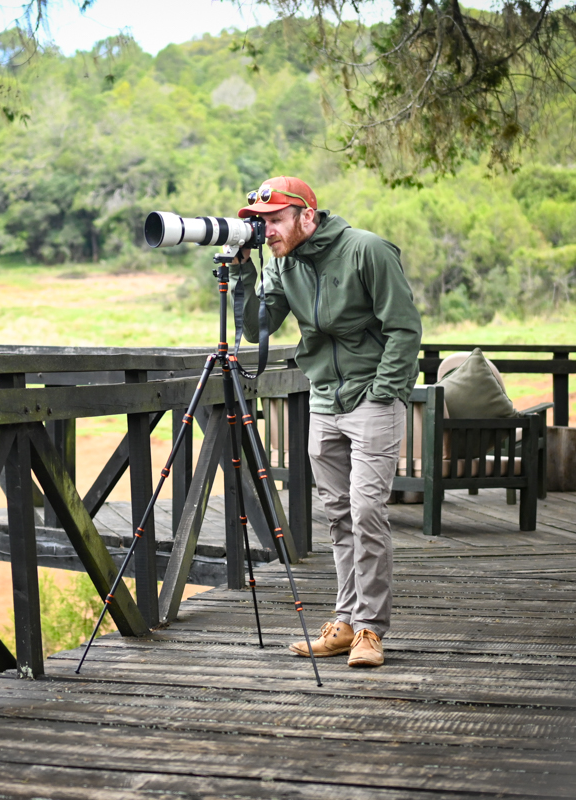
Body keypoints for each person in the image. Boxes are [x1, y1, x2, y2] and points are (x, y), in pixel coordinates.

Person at [231, 176, 422, 667]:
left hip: (372, 401)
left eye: (274, 220)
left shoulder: (367, 250)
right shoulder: (280, 265)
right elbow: (258, 327)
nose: (266, 231)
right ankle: (344, 620)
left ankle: (370, 631)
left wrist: (384, 393)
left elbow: (404, 328)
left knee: (366, 512)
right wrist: (243, 273)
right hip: (323, 402)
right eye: (260, 222)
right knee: (338, 517)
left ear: (307, 216)